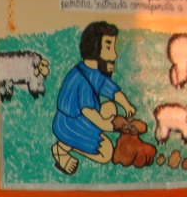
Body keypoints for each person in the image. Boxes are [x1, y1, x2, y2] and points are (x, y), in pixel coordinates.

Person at [51, 21, 137, 175]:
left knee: (110, 107)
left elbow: (111, 89)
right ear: (95, 47)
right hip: (69, 123)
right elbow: (88, 110)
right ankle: (62, 148)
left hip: (84, 116)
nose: (115, 54)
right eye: (109, 47)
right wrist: (108, 125)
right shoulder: (81, 79)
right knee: (106, 153)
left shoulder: (94, 71)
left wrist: (126, 105)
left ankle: (75, 141)